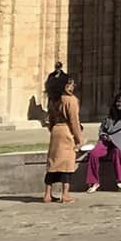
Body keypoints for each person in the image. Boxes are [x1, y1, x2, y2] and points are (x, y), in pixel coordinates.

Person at [85, 91, 121, 192]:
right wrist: (103, 135)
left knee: (117, 152)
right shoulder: (110, 114)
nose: (120, 104)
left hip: (119, 142)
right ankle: (94, 182)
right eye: (118, 102)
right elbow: (102, 128)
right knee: (93, 154)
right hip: (107, 140)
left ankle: (120, 180)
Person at [44, 72, 83, 203]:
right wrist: (79, 139)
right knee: (67, 164)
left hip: (55, 131)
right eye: (71, 84)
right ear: (65, 86)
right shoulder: (70, 100)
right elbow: (74, 121)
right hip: (66, 131)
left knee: (52, 164)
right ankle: (65, 194)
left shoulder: (53, 99)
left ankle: (47, 194)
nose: (73, 87)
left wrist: (52, 129)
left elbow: (49, 119)